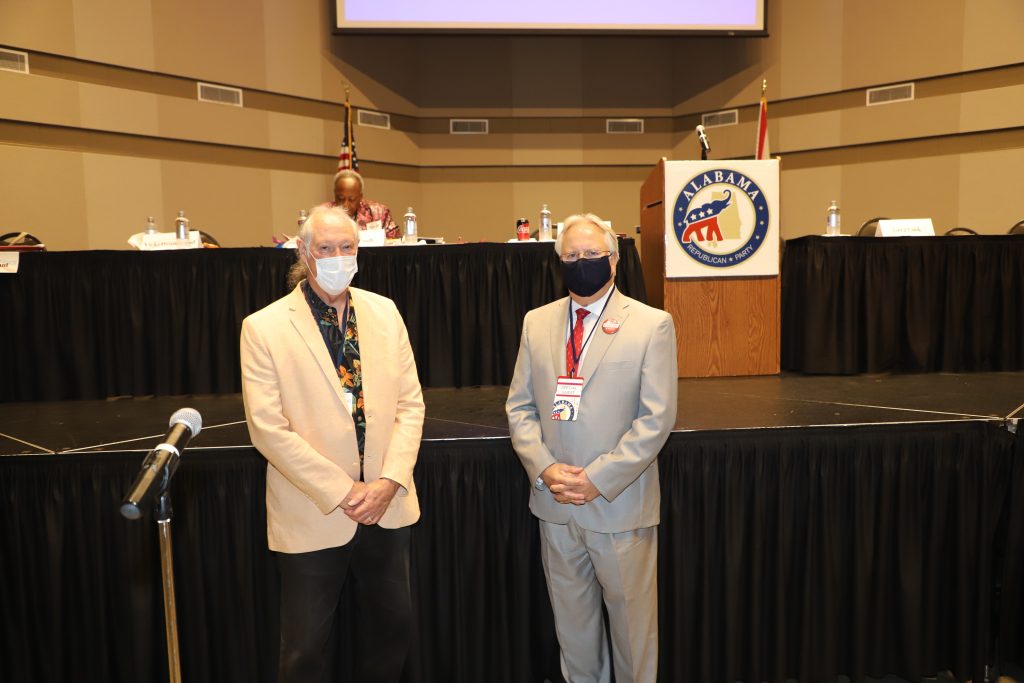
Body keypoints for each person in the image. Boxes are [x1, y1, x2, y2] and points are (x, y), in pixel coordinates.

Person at [240, 205, 424, 683]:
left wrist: (389, 481)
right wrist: (344, 491)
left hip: (387, 506)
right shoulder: (264, 327)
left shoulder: (385, 312)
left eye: (348, 247)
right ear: (304, 252)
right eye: (326, 248)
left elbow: (411, 406)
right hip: (313, 511)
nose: (339, 256)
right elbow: (267, 428)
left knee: (392, 634)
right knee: (305, 650)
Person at [505, 213, 678, 683]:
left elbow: (656, 419)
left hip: (619, 506)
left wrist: (598, 479)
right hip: (555, 505)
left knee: (632, 634)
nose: (582, 263)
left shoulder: (652, 325)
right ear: (559, 262)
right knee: (574, 632)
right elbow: (520, 407)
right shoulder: (537, 322)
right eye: (572, 256)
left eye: (592, 254)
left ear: (614, 260)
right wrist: (544, 468)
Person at [330, 169, 400, 239]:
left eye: (351, 199)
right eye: (341, 199)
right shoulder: (325, 213)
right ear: (335, 194)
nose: (345, 205)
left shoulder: (380, 213)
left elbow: (395, 240)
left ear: (360, 197)